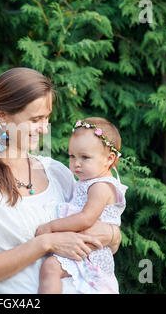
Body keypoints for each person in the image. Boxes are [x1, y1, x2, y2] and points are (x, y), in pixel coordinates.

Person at [0, 68, 122, 293]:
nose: (44, 128)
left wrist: (113, 234)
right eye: (35, 119)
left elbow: (97, 240)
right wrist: (46, 243)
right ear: (2, 115)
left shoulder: (57, 172)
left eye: (46, 118)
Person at [36, 117, 128, 294]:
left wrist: (51, 227)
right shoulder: (87, 181)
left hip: (91, 251)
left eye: (85, 157)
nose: (76, 163)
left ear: (109, 159)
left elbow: (86, 219)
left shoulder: (100, 186)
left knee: (50, 268)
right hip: (83, 244)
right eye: (72, 156)